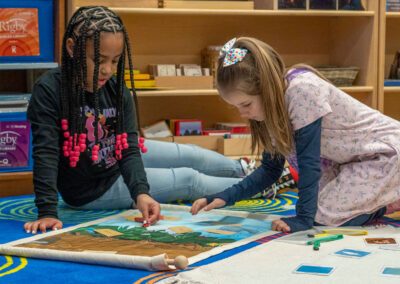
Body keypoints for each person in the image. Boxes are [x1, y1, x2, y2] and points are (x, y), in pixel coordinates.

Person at [23, 6, 263, 234]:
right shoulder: (49, 90)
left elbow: (128, 147)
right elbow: (45, 154)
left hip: (116, 159)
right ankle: (257, 187)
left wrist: (140, 190)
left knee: (191, 154)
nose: (107, 70)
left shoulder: (116, 88)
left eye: (115, 61)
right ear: (72, 48)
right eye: (99, 60)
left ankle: (248, 170)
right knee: (189, 179)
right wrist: (46, 211)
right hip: (92, 189)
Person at [191, 37, 400, 233]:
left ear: (268, 88)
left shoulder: (302, 91)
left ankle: (389, 199)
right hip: (353, 162)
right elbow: (270, 170)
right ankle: (382, 194)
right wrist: (225, 197)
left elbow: (309, 165)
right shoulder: (270, 112)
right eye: (237, 107)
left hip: (386, 154)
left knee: (322, 215)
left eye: (246, 104)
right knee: (319, 207)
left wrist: (303, 219)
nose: (243, 113)